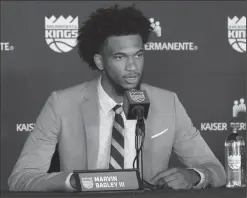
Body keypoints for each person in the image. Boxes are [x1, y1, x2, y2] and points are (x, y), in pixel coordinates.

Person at [8, 4, 226, 192]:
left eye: (138, 55)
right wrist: (71, 181)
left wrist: (195, 176)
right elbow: (21, 178)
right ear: (100, 62)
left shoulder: (167, 103)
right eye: (120, 57)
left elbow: (216, 170)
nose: (132, 67)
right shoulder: (62, 104)